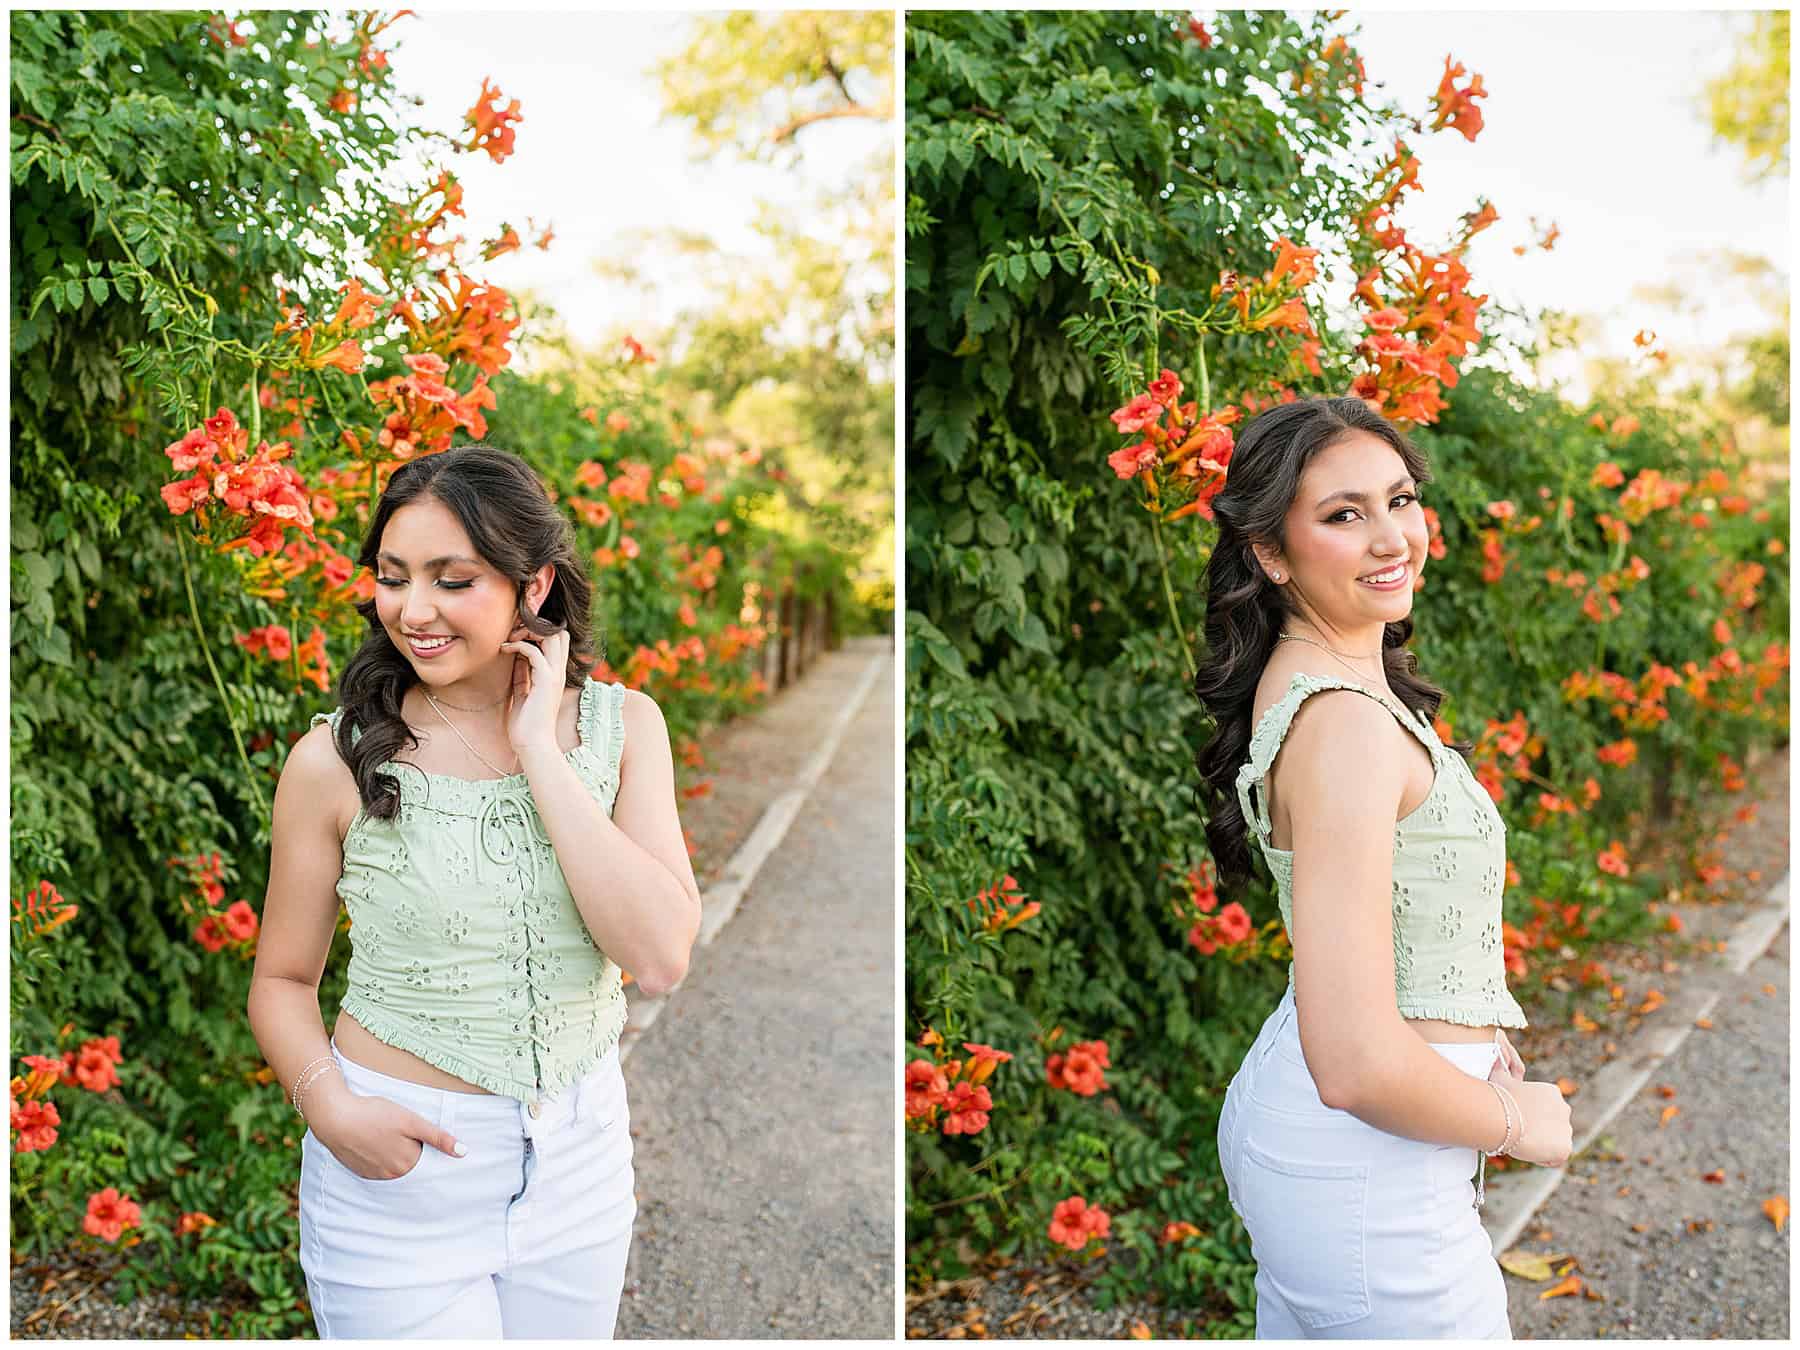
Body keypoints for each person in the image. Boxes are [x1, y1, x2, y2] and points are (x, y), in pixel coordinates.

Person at [247, 444, 702, 1339]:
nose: (413, 610)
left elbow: (657, 958)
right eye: (393, 577)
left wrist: (538, 750)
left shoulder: (624, 728)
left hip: (579, 1162)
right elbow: (282, 980)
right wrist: (330, 1109)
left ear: (534, 586)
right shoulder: (334, 760)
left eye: (452, 580)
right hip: (401, 1175)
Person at [1193, 397, 1573, 1338]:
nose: (1392, 537)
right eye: (1343, 514)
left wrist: (1471, 1036)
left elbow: (1387, 923)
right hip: (1367, 1163)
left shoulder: (1328, 680)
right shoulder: (1345, 726)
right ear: (1270, 553)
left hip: (1350, 1145)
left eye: (1399, 499)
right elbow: (1356, 1063)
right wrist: (1517, 1122)